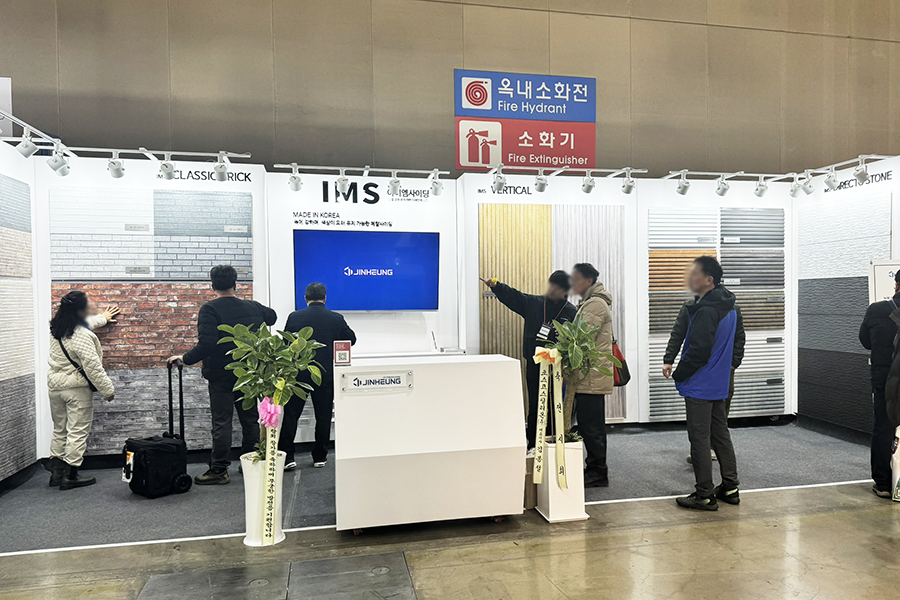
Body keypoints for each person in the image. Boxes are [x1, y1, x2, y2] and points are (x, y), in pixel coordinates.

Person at [168, 265, 276, 485]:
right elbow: (272, 316)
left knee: (222, 423)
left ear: (213, 286)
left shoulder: (210, 309)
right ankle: (251, 463)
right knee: (250, 421)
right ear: (236, 284)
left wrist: (185, 358)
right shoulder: (253, 307)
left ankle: (219, 470)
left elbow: (207, 343)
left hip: (221, 376)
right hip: (249, 374)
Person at [665, 256, 742, 511]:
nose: (691, 278)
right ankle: (730, 487)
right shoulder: (729, 305)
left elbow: (698, 350)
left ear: (709, 280)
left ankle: (704, 495)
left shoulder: (707, 309)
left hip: (701, 383)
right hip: (718, 383)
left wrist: (680, 374)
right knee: (720, 435)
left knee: (699, 439)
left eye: (695, 274)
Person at [480, 271, 577, 450]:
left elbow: (575, 339)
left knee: (556, 404)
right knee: (536, 405)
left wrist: (563, 335)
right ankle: (533, 444)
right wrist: (497, 287)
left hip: (559, 367)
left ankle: (553, 443)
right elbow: (515, 297)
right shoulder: (535, 303)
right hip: (535, 364)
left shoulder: (571, 311)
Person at [47, 291, 119, 490]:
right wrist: (108, 391)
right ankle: (71, 476)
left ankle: (56, 473)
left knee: (60, 429)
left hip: (55, 387)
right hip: (76, 389)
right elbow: (93, 368)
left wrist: (103, 318)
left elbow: (84, 325)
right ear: (80, 310)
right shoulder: (83, 336)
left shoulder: (56, 328)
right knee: (77, 431)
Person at [279, 282, 356, 470]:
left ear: (305, 298)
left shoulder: (294, 317)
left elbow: (285, 343)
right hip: (325, 375)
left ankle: (287, 457)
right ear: (325, 298)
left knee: (291, 415)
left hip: (298, 374)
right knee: (323, 417)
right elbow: (351, 339)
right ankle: (320, 457)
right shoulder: (336, 319)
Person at [664, 292, 745, 464]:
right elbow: (678, 333)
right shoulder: (690, 306)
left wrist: (733, 363)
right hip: (698, 370)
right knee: (698, 414)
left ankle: (715, 449)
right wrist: (668, 360)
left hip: (723, 371)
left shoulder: (732, 308)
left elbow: (739, 338)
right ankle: (700, 450)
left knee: (720, 414)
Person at [568, 263, 614, 487]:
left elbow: (582, 337)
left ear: (587, 281)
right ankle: (594, 468)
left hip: (592, 376)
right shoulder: (590, 302)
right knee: (588, 425)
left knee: (592, 427)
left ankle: (598, 472)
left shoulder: (595, 304)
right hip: (588, 375)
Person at [858, 270, 900, 498]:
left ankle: (883, 483)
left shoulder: (877, 310)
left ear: (896, 286)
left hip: (885, 380)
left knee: (884, 427)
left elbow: (865, 341)